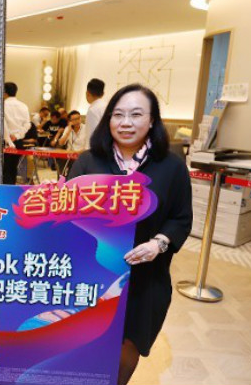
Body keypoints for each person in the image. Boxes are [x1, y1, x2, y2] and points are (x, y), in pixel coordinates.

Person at [67, 84, 192, 385]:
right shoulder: (88, 161)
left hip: (145, 279)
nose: (126, 122)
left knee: (128, 349)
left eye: (136, 114)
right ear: (108, 119)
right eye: (118, 114)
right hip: (94, 276)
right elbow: (66, 214)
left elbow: (180, 218)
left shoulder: (172, 167)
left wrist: (159, 244)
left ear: (152, 120)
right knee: (85, 343)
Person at [2, 82, 30, 185]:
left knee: (4, 170)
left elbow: (3, 124)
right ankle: (11, 190)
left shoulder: (2, 105)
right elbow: (28, 124)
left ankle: (3, 192)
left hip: (5, 141)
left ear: (4, 92)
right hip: (18, 141)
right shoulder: (23, 106)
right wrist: (17, 136)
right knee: (13, 168)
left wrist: (8, 139)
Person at [84, 78, 107, 148]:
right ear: (103, 94)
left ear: (87, 93)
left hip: (97, 151)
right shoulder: (108, 106)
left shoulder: (93, 110)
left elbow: (92, 137)